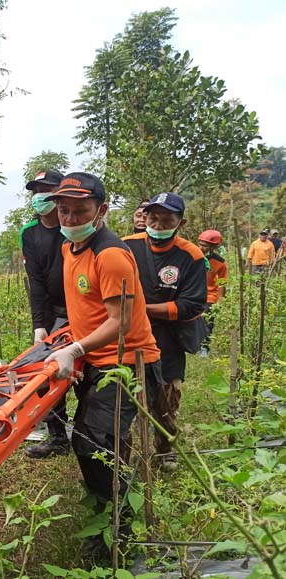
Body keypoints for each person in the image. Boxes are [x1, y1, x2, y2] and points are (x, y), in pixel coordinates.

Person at [43, 173, 162, 507]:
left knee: (92, 442)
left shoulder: (109, 255)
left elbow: (120, 322)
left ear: (101, 210)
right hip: (97, 359)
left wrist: (76, 348)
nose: (69, 218)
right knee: (100, 441)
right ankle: (108, 505)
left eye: (80, 211)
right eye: (64, 210)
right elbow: (87, 307)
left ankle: (117, 522)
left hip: (125, 363)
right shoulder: (70, 247)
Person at [123, 193, 207, 468]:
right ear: (144, 217)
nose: (158, 224)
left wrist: (144, 309)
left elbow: (192, 304)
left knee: (167, 397)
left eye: (166, 219)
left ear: (180, 223)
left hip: (168, 339)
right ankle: (125, 454)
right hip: (131, 336)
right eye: (153, 217)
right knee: (130, 395)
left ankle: (165, 448)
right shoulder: (126, 247)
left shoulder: (191, 255)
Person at [20, 169, 71, 458]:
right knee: (49, 370)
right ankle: (57, 437)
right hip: (53, 311)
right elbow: (35, 280)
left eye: (47, 189)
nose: (41, 195)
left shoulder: (73, 228)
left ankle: (91, 433)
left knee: (84, 371)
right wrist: (40, 324)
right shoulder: (30, 233)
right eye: (36, 190)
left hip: (83, 310)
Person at [198, 230, 228, 357]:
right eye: (200, 244)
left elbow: (222, 282)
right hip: (192, 293)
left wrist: (220, 299)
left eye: (204, 245)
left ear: (213, 247)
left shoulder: (219, 263)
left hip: (209, 295)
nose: (201, 247)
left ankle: (205, 347)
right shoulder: (192, 256)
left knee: (208, 322)